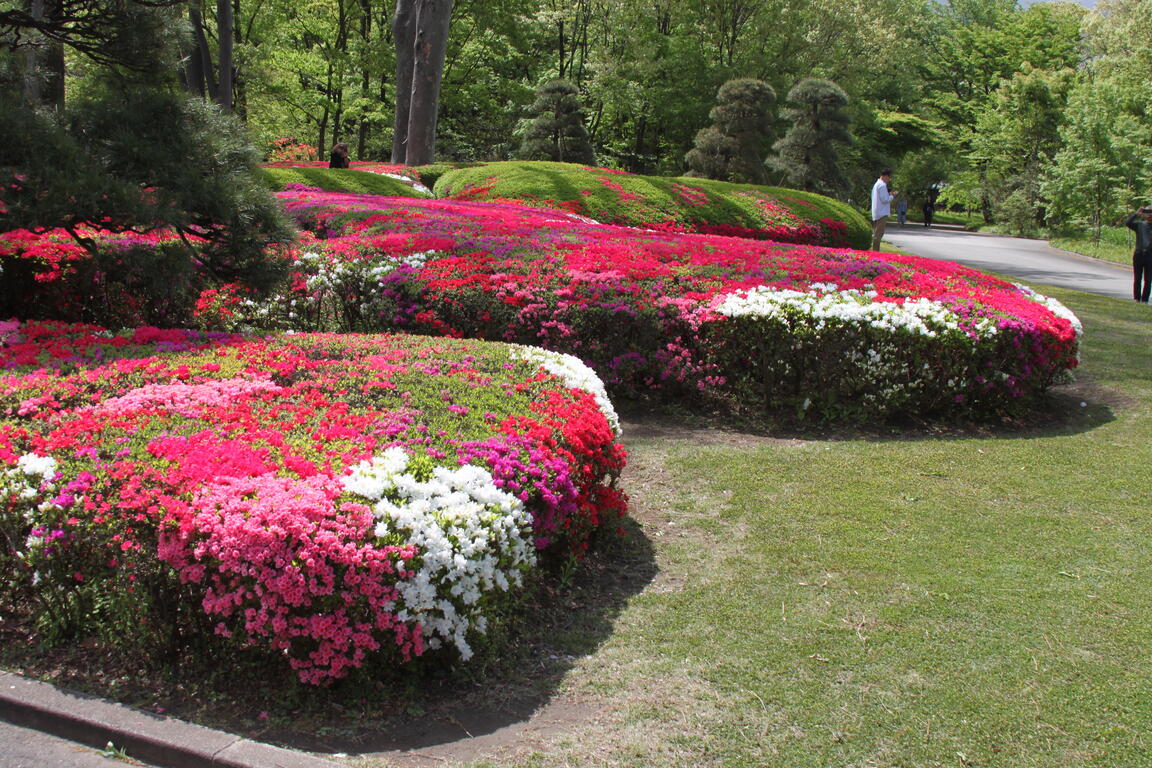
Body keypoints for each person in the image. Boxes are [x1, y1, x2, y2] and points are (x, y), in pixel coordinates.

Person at [1125, 205, 1152, 303]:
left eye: (1151, 212)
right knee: (1137, 278)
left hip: (1150, 255)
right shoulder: (1140, 225)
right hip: (1139, 254)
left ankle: (1145, 300)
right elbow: (1128, 223)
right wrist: (1136, 214)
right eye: (1147, 212)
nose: (1149, 215)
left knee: (1148, 279)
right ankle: (1137, 298)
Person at [870, 169, 899, 251]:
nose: (889, 180)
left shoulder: (877, 184)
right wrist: (892, 196)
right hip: (881, 213)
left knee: (877, 232)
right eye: (889, 177)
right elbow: (884, 199)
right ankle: (875, 252)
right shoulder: (882, 185)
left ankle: (875, 250)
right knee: (879, 233)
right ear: (885, 176)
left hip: (877, 211)